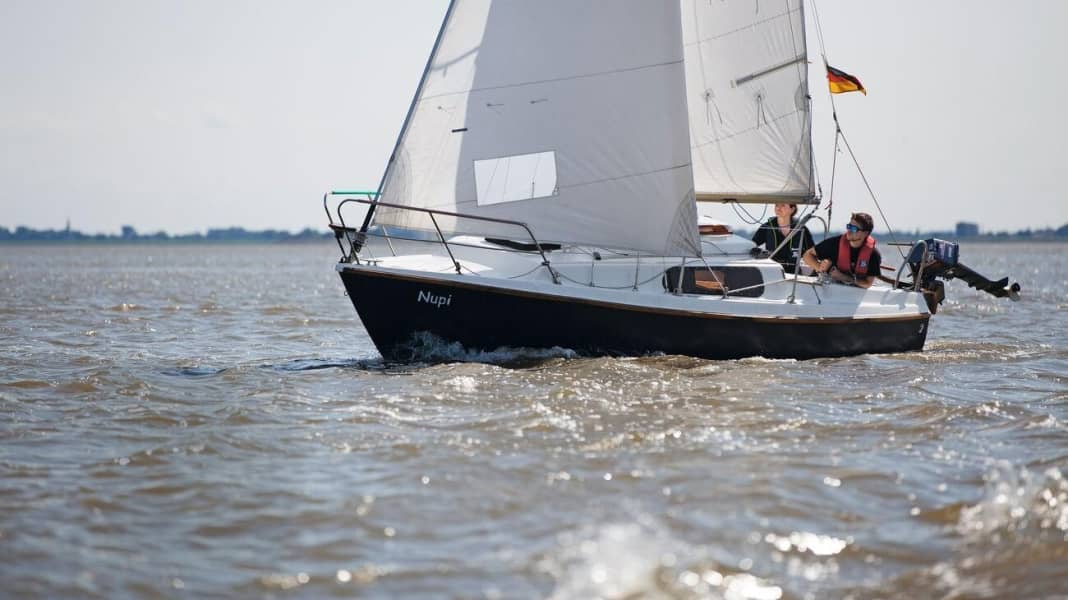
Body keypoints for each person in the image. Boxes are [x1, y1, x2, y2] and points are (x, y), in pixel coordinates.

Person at [802, 212, 882, 289]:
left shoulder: (873, 255)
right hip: (827, 288)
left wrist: (843, 277)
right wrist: (820, 267)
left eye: (853, 228)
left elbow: (867, 283)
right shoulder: (835, 243)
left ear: (865, 233)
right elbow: (807, 255)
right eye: (849, 226)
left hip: (852, 294)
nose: (849, 231)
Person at [750, 203, 815, 272]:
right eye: (776, 205)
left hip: (794, 273)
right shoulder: (767, 227)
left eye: (783, 205)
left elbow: (812, 251)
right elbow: (752, 245)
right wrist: (759, 253)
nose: (778, 208)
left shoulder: (801, 229)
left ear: (792, 209)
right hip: (772, 271)